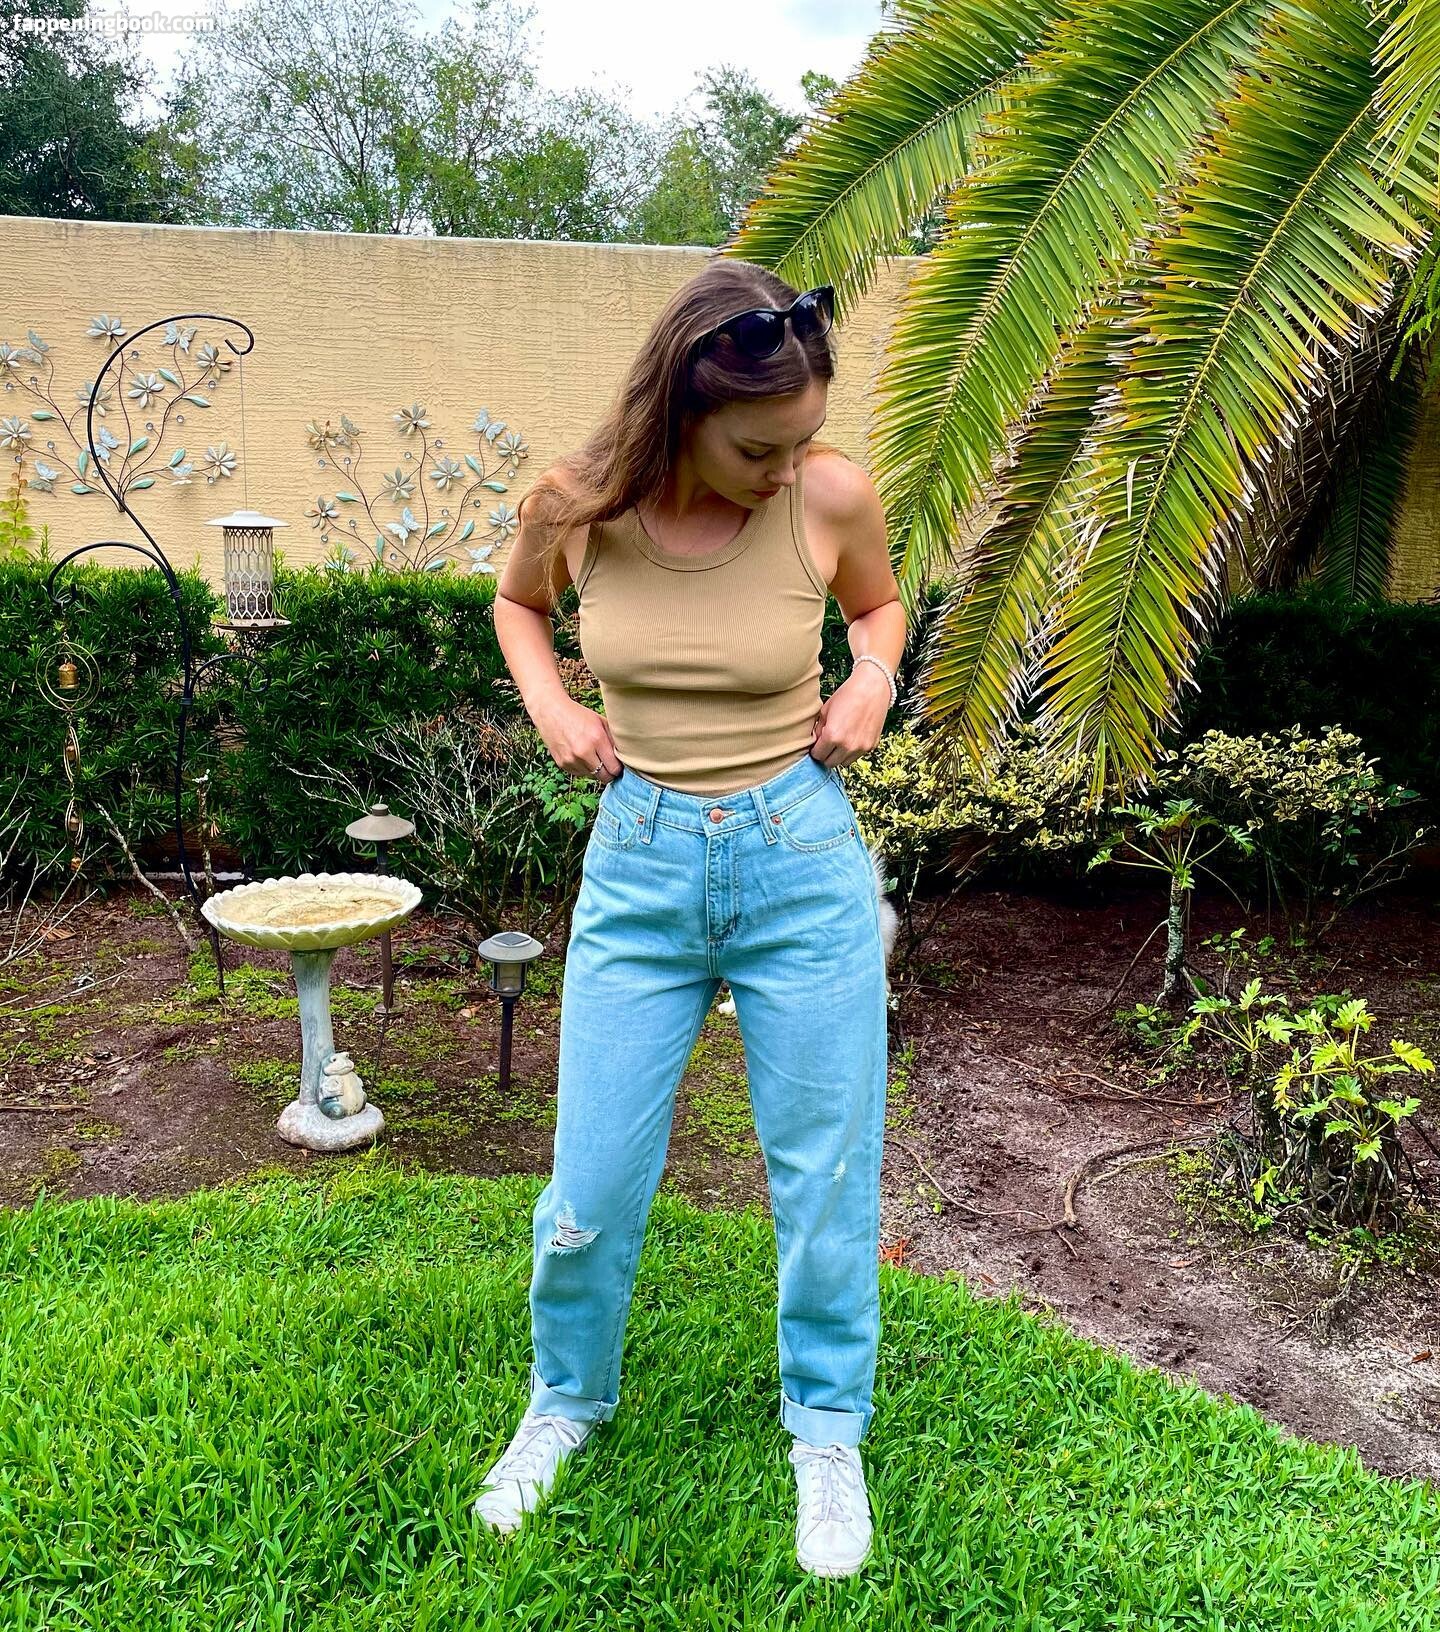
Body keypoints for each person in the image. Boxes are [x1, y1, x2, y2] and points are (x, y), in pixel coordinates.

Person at [479, 257, 907, 1579]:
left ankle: (826, 1430)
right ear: (680, 408)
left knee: (824, 1176)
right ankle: (565, 1399)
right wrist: (553, 706)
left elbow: (879, 607)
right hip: (641, 868)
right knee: (593, 1177)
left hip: (800, 863)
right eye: (757, 447)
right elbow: (518, 605)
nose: (785, 470)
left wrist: (873, 679)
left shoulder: (827, 495)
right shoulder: (576, 504)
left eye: (801, 441)